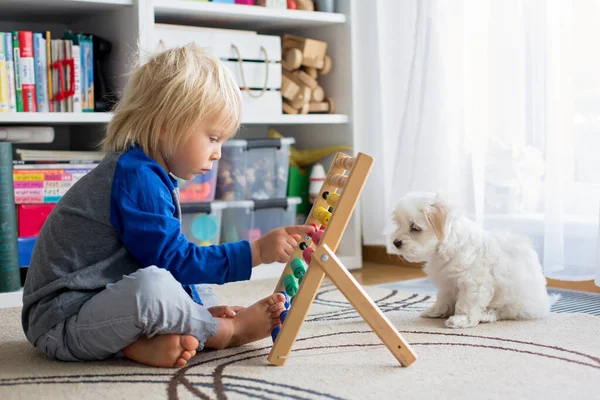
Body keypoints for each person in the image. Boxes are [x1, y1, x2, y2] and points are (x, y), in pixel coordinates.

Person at [21, 44, 314, 368]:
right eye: (213, 138)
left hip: (98, 308)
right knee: (155, 286)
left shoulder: (146, 172)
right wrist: (256, 252)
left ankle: (143, 342)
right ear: (166, 125)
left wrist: (195, 307)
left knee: (191, 277)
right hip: (60, 322)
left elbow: (164, 259)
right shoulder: (137, 178)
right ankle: (224, 332)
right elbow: (172, 264)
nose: (218, 153)